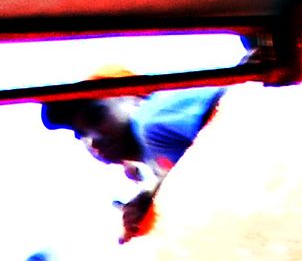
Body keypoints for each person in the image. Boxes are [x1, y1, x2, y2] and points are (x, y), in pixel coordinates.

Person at [40, 88, 225, 239]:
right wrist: (152, 196)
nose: (92, 139)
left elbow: (234, 103)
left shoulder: (150, 122)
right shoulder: (153, 155)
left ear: (133, 98)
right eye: (81, 134)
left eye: (96, 117)